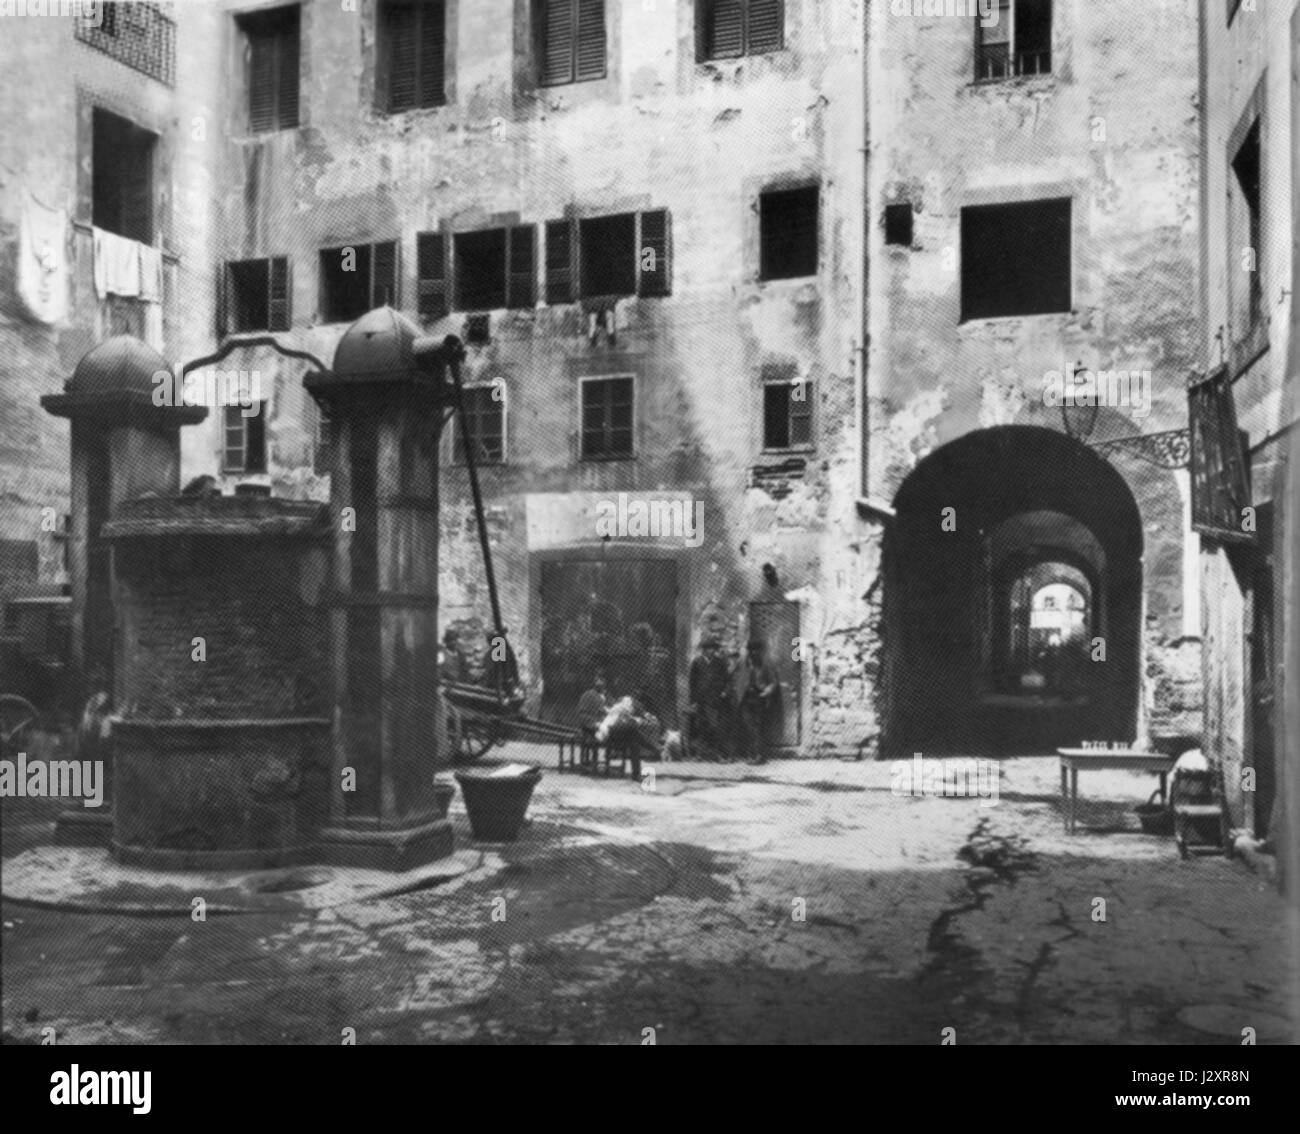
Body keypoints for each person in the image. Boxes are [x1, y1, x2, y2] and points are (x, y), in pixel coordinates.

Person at [731, 638, 778, 765]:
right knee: (748, 727)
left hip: (759, 698)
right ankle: (751, 754)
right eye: (751, 651)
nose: (753, 653)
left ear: (760, 651)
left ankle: (758, 755)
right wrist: (736, 690)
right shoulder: (742, 662)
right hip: (745, 699)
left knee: (757, 727)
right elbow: (734, 676)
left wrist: (767, 691)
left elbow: (773, 682)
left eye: (756, 651)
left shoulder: (766, 664)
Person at [688, 636, 731, 761]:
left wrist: (725, 692)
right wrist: (693, 701)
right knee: (701, 726)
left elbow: (727, 680)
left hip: (716, 700)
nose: (711, 651)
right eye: (708, 649)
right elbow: (692, 683)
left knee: (715, 726)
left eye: (713, 648)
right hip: (701, 700)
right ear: (704, 650)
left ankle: (719, 754)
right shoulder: (697, 662)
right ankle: (701, 754)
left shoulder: (719, 662)